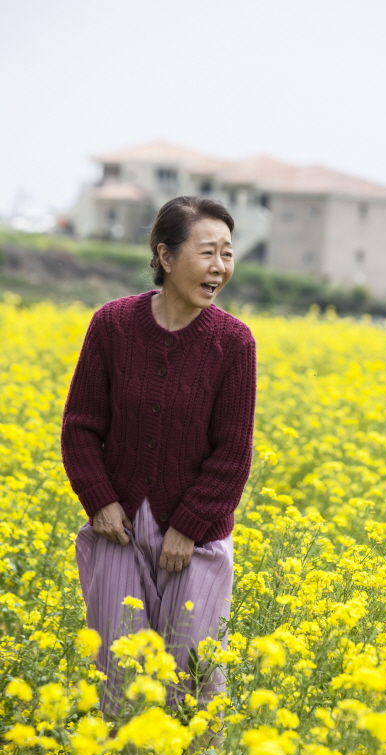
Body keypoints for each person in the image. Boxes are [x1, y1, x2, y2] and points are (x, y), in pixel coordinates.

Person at [61, 196, 257, 725]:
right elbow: (80, 427)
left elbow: (234, 450)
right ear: (165, 257)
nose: (220, 266)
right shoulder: (113, 325)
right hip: (116, 530)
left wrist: (189, 527)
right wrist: (100, 502)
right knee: (117, 674)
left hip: (197, 540)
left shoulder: (233, 342)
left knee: (192, 677)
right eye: (207, 251)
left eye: (228, 254)